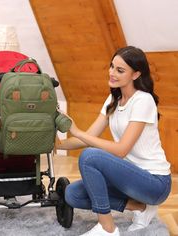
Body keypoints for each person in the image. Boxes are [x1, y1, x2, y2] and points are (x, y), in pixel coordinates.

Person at [56, 46, 171, 236]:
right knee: (72, 194)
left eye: (120, 70)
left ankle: (107, 228)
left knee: (90, 157)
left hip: (154, 182)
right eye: (111, 67)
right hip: (127, 179)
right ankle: (139, 207)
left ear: (136, 74)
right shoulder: (113, 99)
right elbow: (89, 136)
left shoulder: (143, 100)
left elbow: (121, 150)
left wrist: (76, 131)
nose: (112, 73)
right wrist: (58, 145)